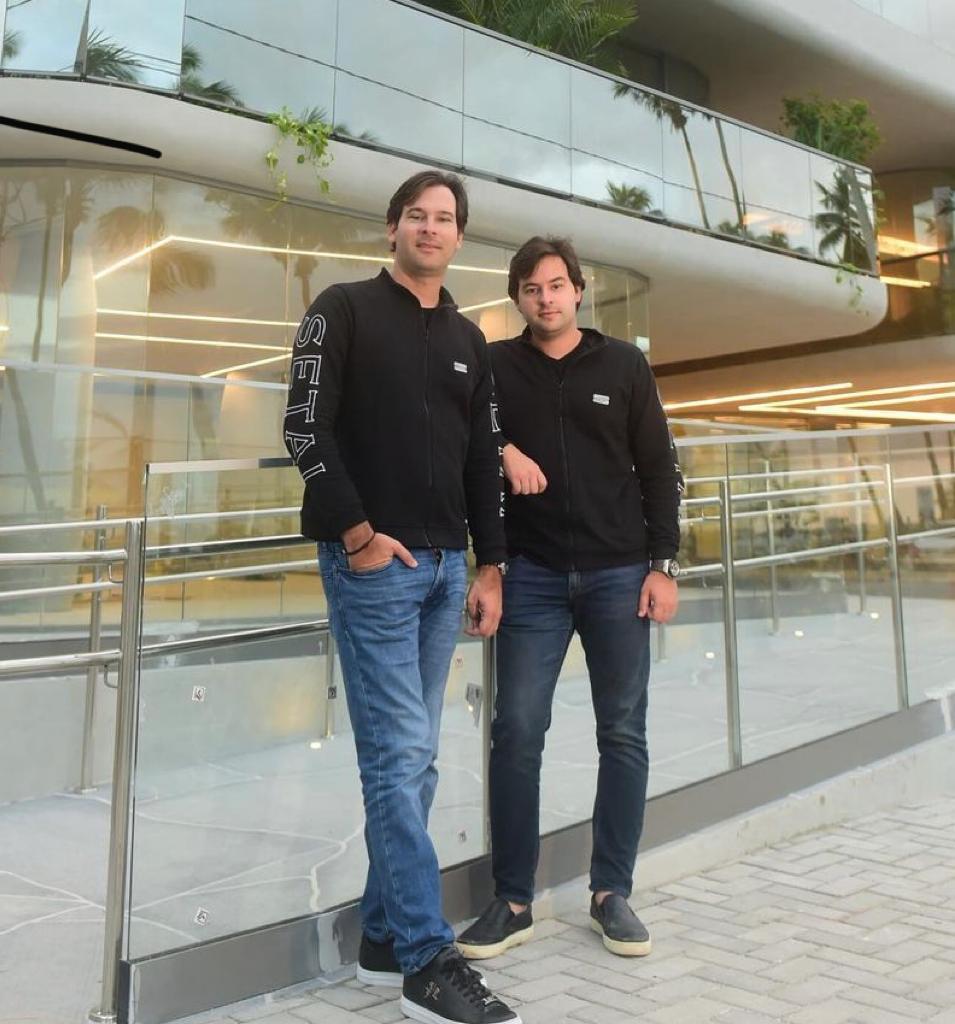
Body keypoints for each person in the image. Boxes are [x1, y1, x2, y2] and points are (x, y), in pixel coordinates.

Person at [284, 169, 518, 1024]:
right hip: (373, 566)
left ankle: (383, 936)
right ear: (392, 229)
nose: (429, 228)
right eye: (416, 215)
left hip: (447, 568)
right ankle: (426, 957)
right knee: (398, 756)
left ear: (458, 237)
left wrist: (489, 567)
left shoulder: (468, 338)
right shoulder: (341, 309)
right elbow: (302, 426)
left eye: (444, 218)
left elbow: (480, 458)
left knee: (414, 760)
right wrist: (357, 535)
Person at [456, 236, 683, 962]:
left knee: (622, 732)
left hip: (620, 572)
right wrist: (501, 452)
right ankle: (512, 900)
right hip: (531, 575)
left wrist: (662, 566)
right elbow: (464, 439)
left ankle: (610, 892)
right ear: (517, 298)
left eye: (556, 285)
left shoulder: (622, 365)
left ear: (578, 291)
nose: (545, 298)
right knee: (517, 730)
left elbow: (659, 466)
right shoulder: (496, 366)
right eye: (531, 288)